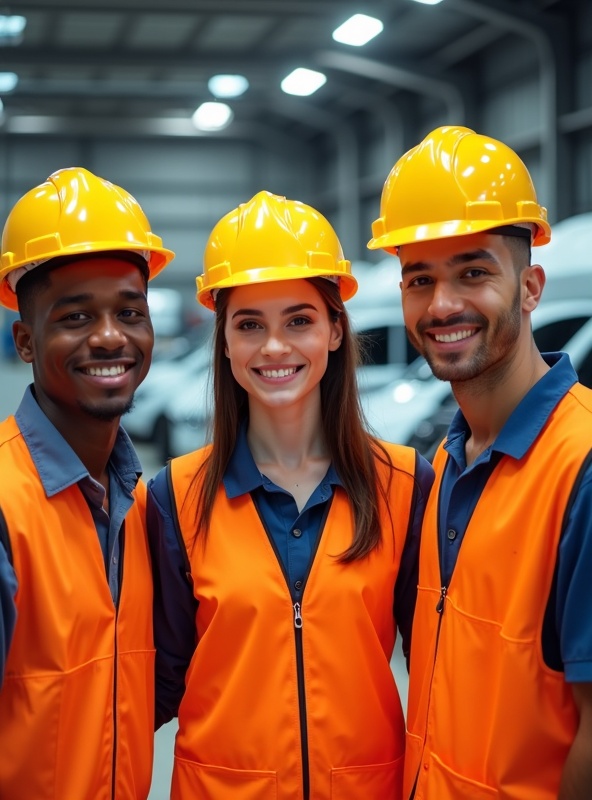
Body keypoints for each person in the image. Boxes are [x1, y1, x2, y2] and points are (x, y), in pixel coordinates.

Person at [147, 190, 434, 799]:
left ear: (334, 330)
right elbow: (151, 684)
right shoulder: (173, 497)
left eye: (299, 320)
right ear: (223, 341)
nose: (274, 347)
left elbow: (442, 675)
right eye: (249, 324)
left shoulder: (407, 486)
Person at [368, 125, 592, 799]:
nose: (442, 305)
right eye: (420, 279)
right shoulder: (449, 461)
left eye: (473, 272)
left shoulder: (580, 466)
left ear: (529, 287)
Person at [0, 167, 174, 799]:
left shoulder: (139, 503)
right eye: (75, 317)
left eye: (130, 312)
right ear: (25, 340)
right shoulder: (5, 503)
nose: (109, 337)